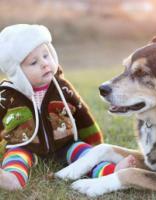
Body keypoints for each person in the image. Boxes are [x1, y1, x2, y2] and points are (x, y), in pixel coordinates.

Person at [0, 24, 135, 190]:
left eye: (46, 55)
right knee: (16, 157)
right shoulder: (8, 95)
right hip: (25, 145)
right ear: (16, 72)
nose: (44, 64)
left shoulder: (62, 87)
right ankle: (12, 178)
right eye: (34, 62)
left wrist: (94, 143)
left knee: (85, 155)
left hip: (65, 144)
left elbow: (82, 113)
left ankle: (111, 171)